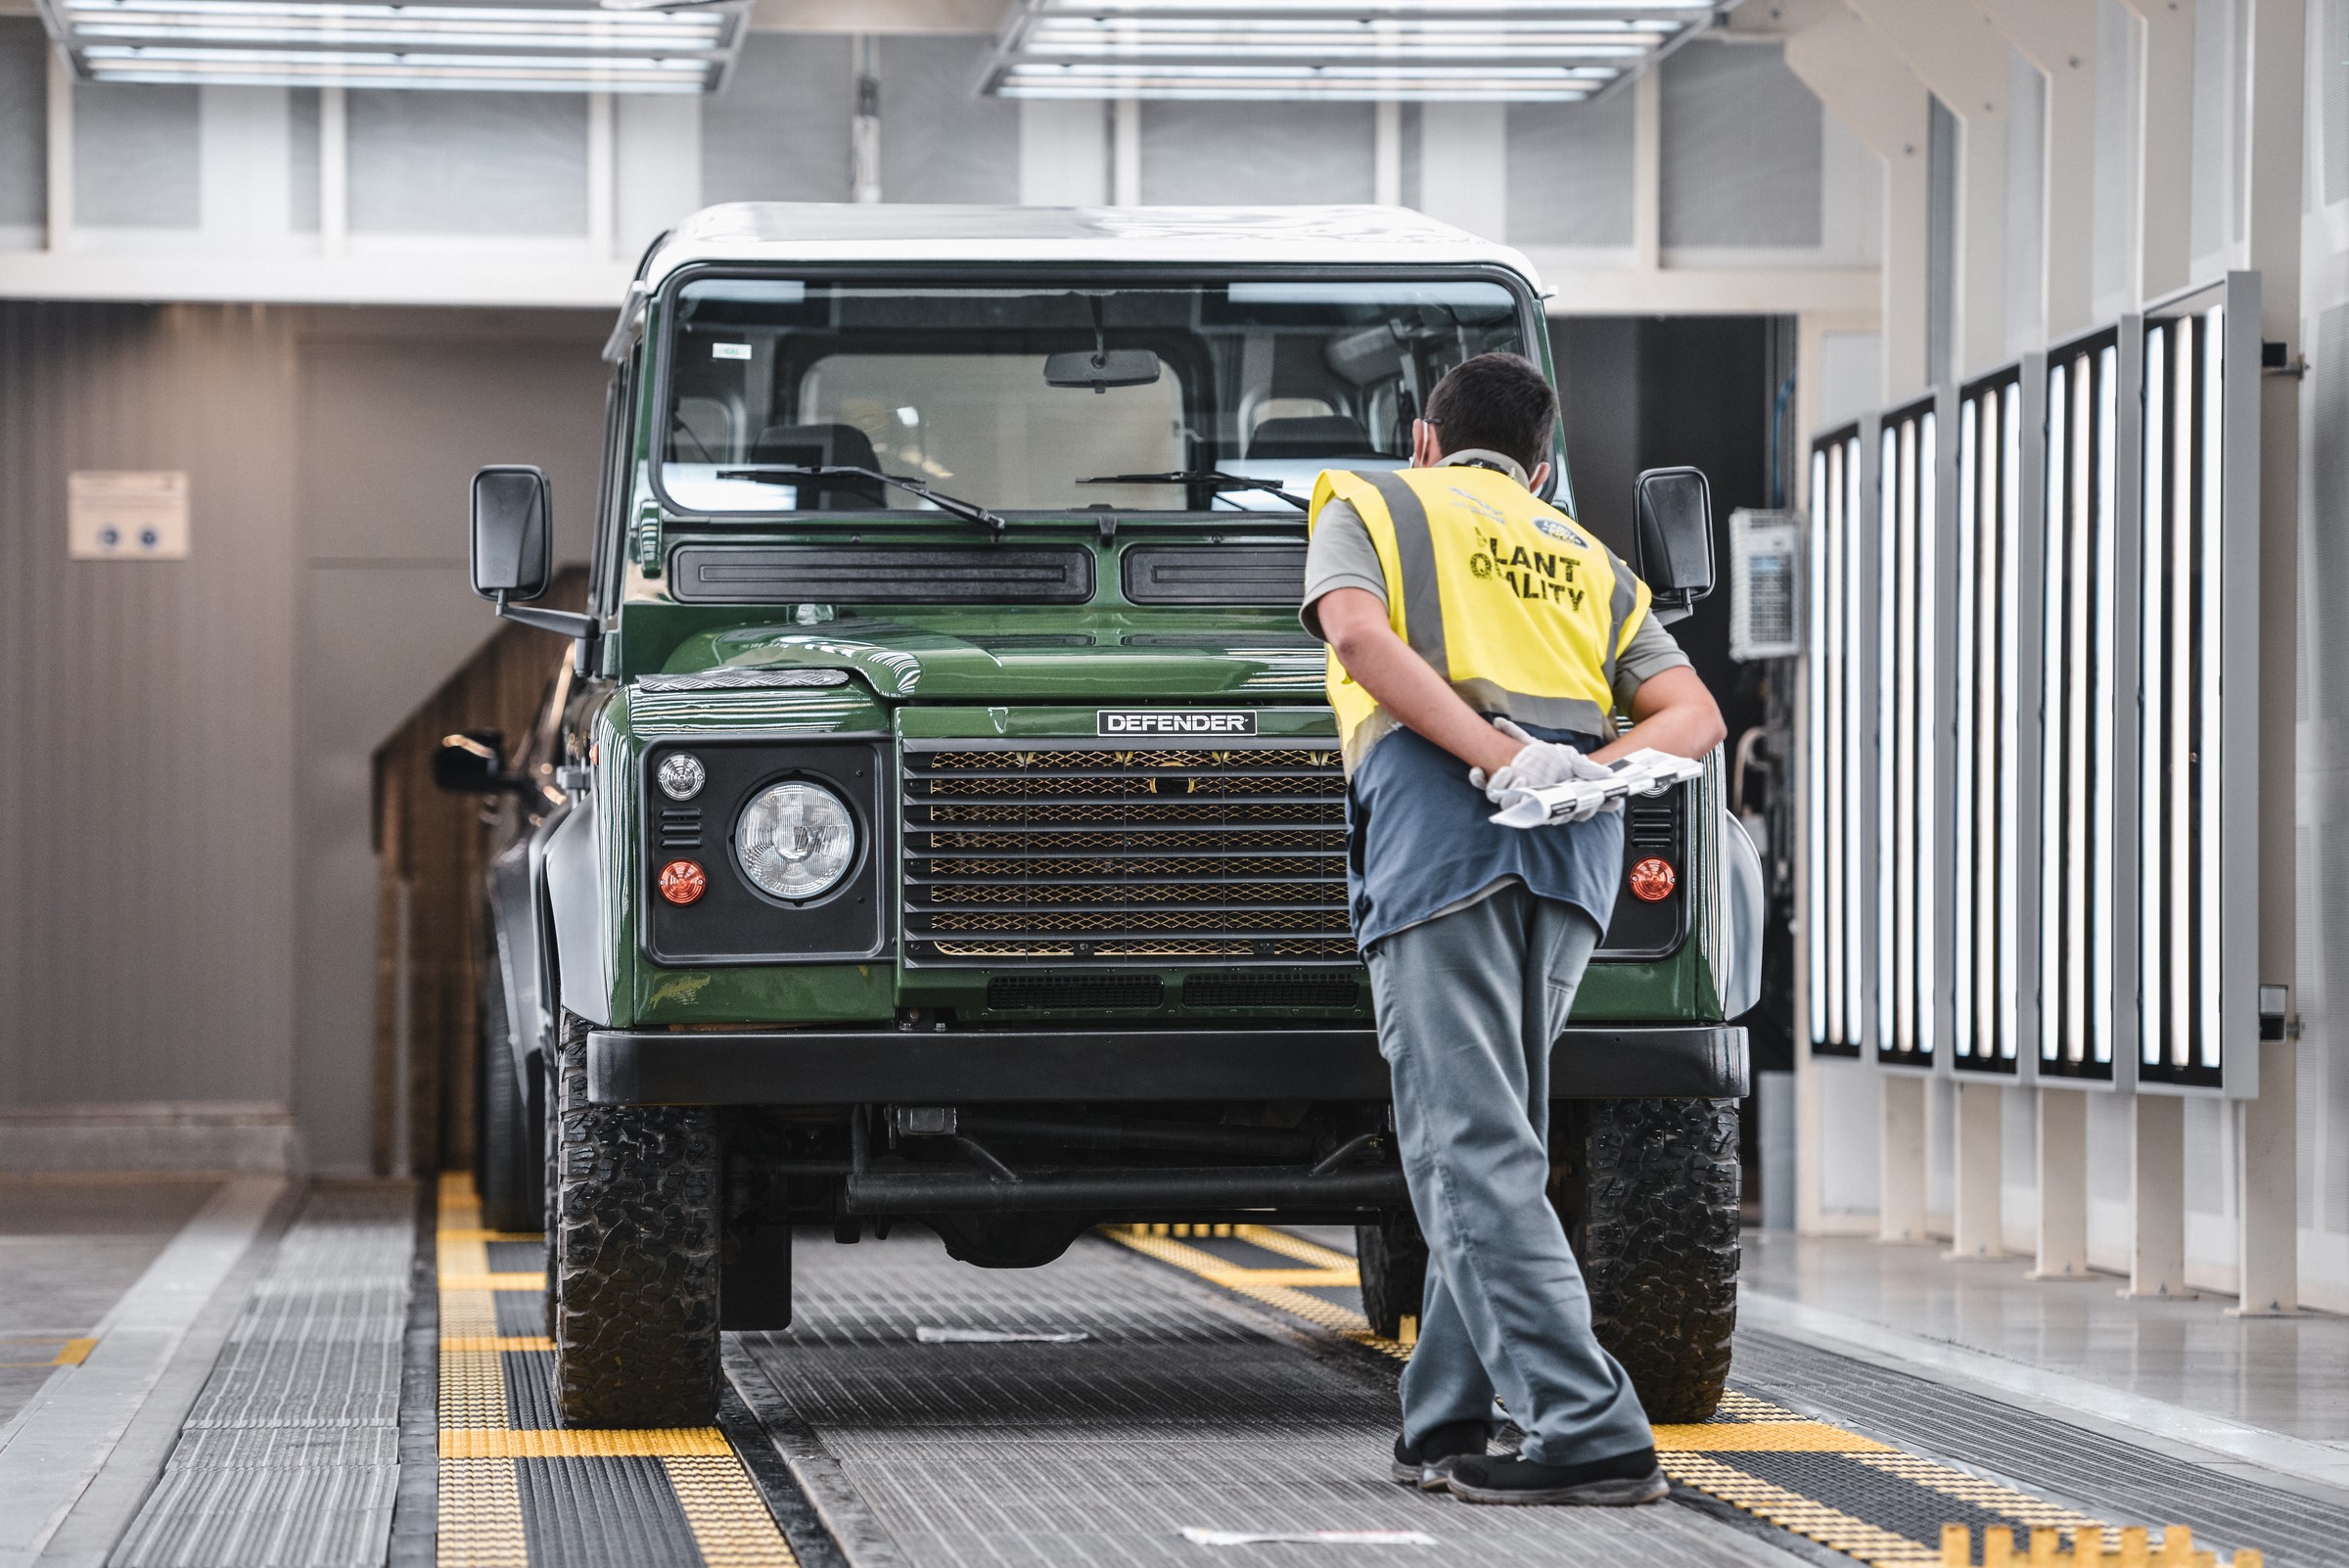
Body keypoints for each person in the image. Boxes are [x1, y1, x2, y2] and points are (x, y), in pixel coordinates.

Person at [1299, 351, 1726, 1506]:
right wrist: (1586, 770)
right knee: (1498, 1140)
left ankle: (1588, 1429)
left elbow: (1357, 639)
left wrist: (1497, 757)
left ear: (1425, 440)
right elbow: (1694, 714)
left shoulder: (1374, 501)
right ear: (1539, 470)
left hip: (1447, 840)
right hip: (1572, 857)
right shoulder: (1585, 555)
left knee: (1464, 1149)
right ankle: (1444, 1419)